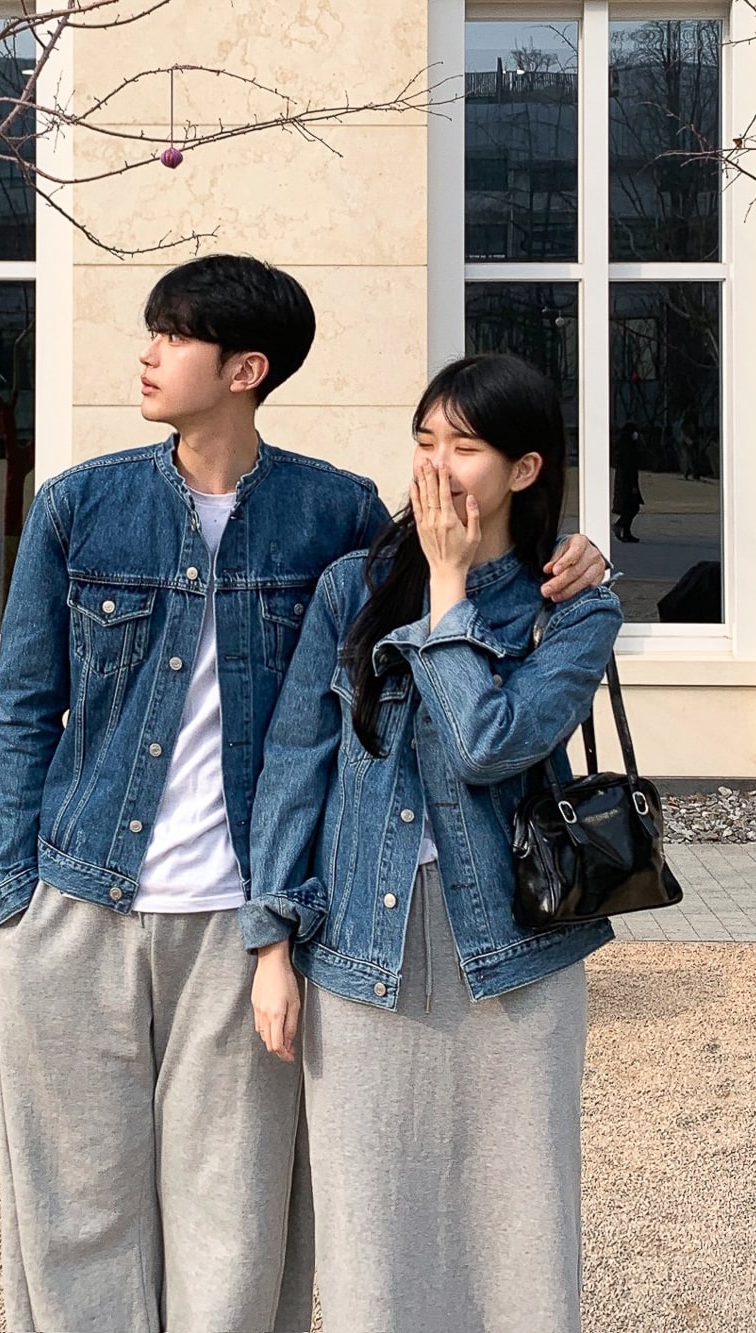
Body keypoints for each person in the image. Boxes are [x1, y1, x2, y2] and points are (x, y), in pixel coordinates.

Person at [0, 256, 608, 1333]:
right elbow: (28, 705)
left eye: (173, 334)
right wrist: (12, 890)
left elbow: (459, 693)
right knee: (74, 1204)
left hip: (240, 909)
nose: (148, 353)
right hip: (81, 894)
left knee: (235, 1215)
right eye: (425, 441)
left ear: (246, 369)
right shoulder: (81, 506)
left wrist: (564, 555)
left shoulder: (333, 515)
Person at [243, 353, 623, 1333]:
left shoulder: (574, 608)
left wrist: (450, 589)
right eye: (423, 440)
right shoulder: (352, 588)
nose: (435, 465)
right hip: (360, 948)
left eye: (464, 446)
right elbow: (295, 765)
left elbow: (489, 742)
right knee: (370, 1222)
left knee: (521, 1215)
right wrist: (271, 940)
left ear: (525, 470)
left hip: (516, 953)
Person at [612, 420, 643, 542]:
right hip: (628, 483)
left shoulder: (623, 447)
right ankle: (620, 525)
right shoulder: (628, 449)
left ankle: (626, 532)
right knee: (632, 507)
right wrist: (633, 485)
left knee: (629, 507)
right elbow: (630, 468)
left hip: (623, 482)